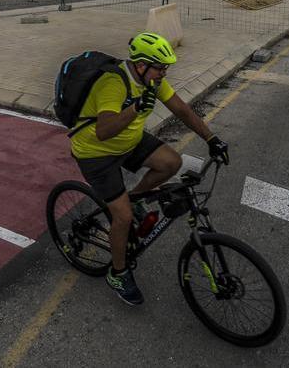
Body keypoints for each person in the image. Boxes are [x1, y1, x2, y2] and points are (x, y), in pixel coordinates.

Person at [69, 31, 230, 306]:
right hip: (97, 153)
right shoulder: (114, 84)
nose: (164, 74)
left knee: (171, 162)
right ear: (141, 65)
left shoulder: (152, 81)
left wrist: (211, 139)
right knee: (122, 218)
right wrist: (134, 110)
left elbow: (181, 109)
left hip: (128, 140)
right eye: (160, 68)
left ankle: (134, 200)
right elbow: (104, 131)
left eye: (167, 68)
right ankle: (117, 274)